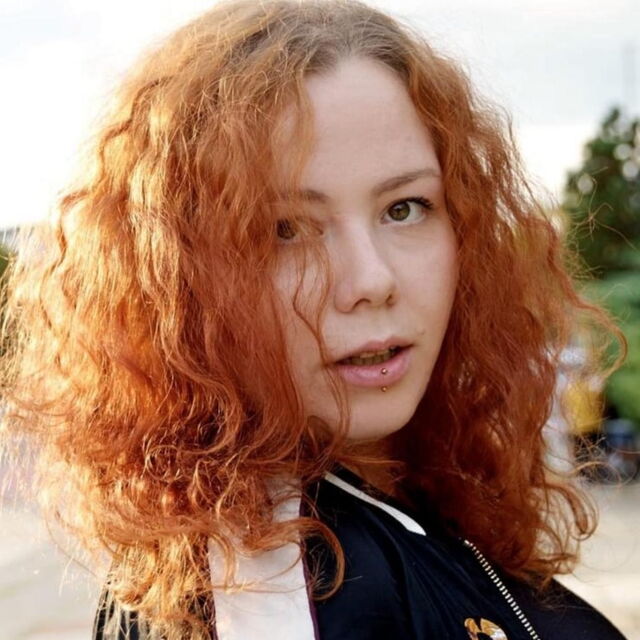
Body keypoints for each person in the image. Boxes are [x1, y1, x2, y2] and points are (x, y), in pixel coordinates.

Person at [0, 1, 628, 639]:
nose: (371, 281)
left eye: (405, 207)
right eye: (285, 229)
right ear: (178, 279)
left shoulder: (412, 486)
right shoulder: (271, 591)